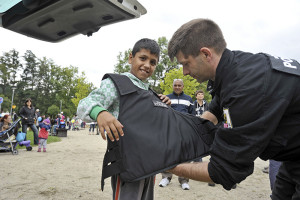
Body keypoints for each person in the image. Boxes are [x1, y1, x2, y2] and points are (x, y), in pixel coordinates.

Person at [167, 18, 300, 199]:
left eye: (185, 63)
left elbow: (223, 171)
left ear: (206, 54)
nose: (184, 72)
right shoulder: (233, 68)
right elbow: (213, 112)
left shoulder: (245, 88)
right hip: (293, 158)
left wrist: (168, 165)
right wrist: (184, 136)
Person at [77, 38, 171, 200]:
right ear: (130, 58)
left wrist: (162, 105)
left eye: (153, 62)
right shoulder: (116, 84)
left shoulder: (150, 92)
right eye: (142, 58)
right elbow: (84, 104)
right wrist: (100, 113)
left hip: (150, 164)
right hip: (129, 164)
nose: (147, 65)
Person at [158, 79, 194, 190]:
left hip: (184, 130)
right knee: (168, 153)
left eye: (179, 85)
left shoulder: (188, 99)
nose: (177, 87)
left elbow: (192, 114)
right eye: (175, 85)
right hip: (170, 130)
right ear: (172, 86)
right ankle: (166, 177)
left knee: (185, 155)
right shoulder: (166, 97)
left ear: (183, 86)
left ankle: (183, 180)